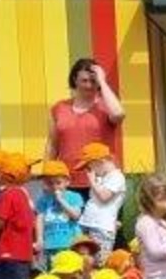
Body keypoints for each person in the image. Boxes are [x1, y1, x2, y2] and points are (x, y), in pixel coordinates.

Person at [50, 58, 125, 195]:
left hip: (103, 183)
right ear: (74, 80)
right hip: (66, 182)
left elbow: (119, 113)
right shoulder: (59, 108)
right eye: (84, 80)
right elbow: (52, 145)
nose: (89, 85)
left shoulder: (106, 106)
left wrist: (102, 81)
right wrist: (48, 173)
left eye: (93, 81)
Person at [77, 143, 128, 259]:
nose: (89, 171)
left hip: (101, 227)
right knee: (83, 262)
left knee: (98, 261)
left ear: (100, 161)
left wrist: (93, 182)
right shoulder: (101, 178)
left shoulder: (117, 177)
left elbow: (104, 197)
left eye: (90, 166)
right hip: (87, 224)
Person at [34, 160, 85, 271]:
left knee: (71, 271)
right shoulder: (43, 200)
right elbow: (40, 219)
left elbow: (76, 215)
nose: (54, 187)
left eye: (58, 183)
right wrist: (39, 239)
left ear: (67, 182)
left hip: (70, 243)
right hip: (51, 244)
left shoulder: (73, 196)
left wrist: (61, 200)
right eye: (49, 183)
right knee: (54, 272)